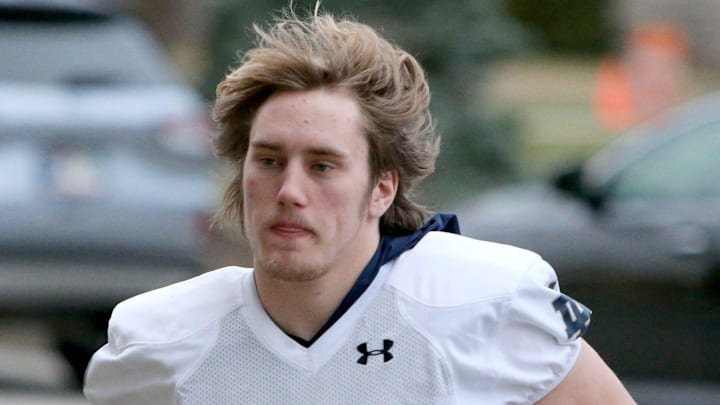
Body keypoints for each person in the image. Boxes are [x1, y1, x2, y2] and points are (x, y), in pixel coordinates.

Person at [84, 6, 635, 404]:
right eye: (269, 160)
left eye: (323, 165)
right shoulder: (160, 338)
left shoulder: (482, 304)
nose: (290, 191)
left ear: (382, 188)